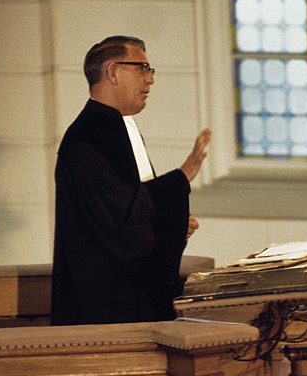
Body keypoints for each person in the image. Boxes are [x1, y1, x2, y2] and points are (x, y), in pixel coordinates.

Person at [51, 35, 211, 325]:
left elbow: (133, 206)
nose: (150, 79)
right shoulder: (85, 141)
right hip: (105, 309)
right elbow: (119, 217)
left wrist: (173, 223)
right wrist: (183, 176)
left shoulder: (121, 128)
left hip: (131, 300)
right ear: (113, 72)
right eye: (142, 68)